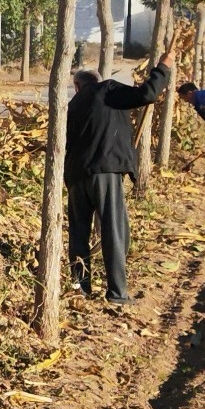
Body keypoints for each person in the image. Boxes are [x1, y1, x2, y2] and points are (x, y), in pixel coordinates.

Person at [65, 59, 173, 304]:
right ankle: (117, 293)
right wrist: (163, 68)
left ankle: (79, 288)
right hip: (105, 171)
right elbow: (148, 94)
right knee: (114, 230)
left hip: (76, 176)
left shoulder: (72, 104)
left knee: (78, 233)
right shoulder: (108, 89)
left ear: (77, 86)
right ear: (97, 81)